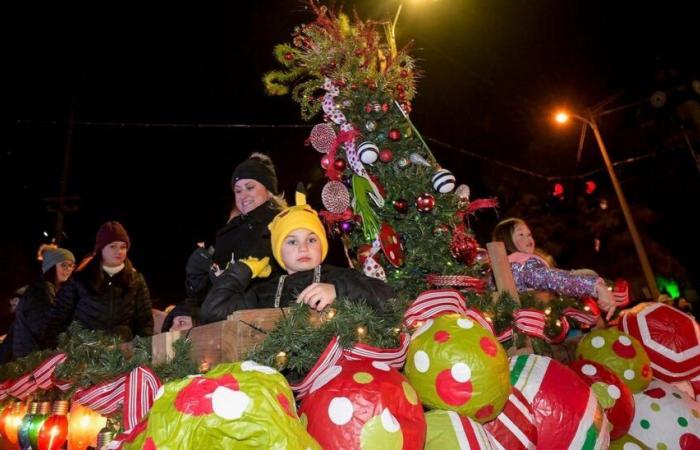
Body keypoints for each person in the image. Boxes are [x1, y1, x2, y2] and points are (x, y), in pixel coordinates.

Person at [199, 188, 394, 323]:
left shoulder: (340, 277)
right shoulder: (263, 293)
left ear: (322, 246)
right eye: (292, 241)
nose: (303, 248)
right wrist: (242, 270)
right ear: (278, 251)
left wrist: (337, 291)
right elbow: (212, 312)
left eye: (311, 240)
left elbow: (390, 300)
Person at [164, 153, 287, 332]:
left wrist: (235, 278)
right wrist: (197, 277)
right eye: (238, 190)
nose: (243, 195)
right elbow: (205, 296)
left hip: (268, 319)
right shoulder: (227, 233)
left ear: (268, 189)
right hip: (226, 322)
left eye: (250, 187)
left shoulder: (281, 223)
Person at [41, 221, 153, 347]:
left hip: (122, 355)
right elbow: (57, 318)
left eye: (123, 247)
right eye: (113, 246)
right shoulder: (80, 280)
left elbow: (145, 322)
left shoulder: (136, 281)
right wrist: (59, 349)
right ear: (101, 249)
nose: (119, 251)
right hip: (83, 355)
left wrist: (142, 351)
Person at [492, 217, 617, 320]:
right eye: (521, 234)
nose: (528, 237)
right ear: (506, 240)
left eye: (529, 234)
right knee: (588, 275)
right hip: (540, 327)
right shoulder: (522, 263)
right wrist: (594, 286)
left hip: (528, 324)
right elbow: (552, 279)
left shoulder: (506, 267)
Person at [9, 247, 76, 358]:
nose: (69, 269)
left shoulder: (57, 291)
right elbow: (44, 330)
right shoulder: (40, 291)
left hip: (39, 356)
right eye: (64, 265)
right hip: (31, 360)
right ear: (51, 266)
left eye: (71, 265)